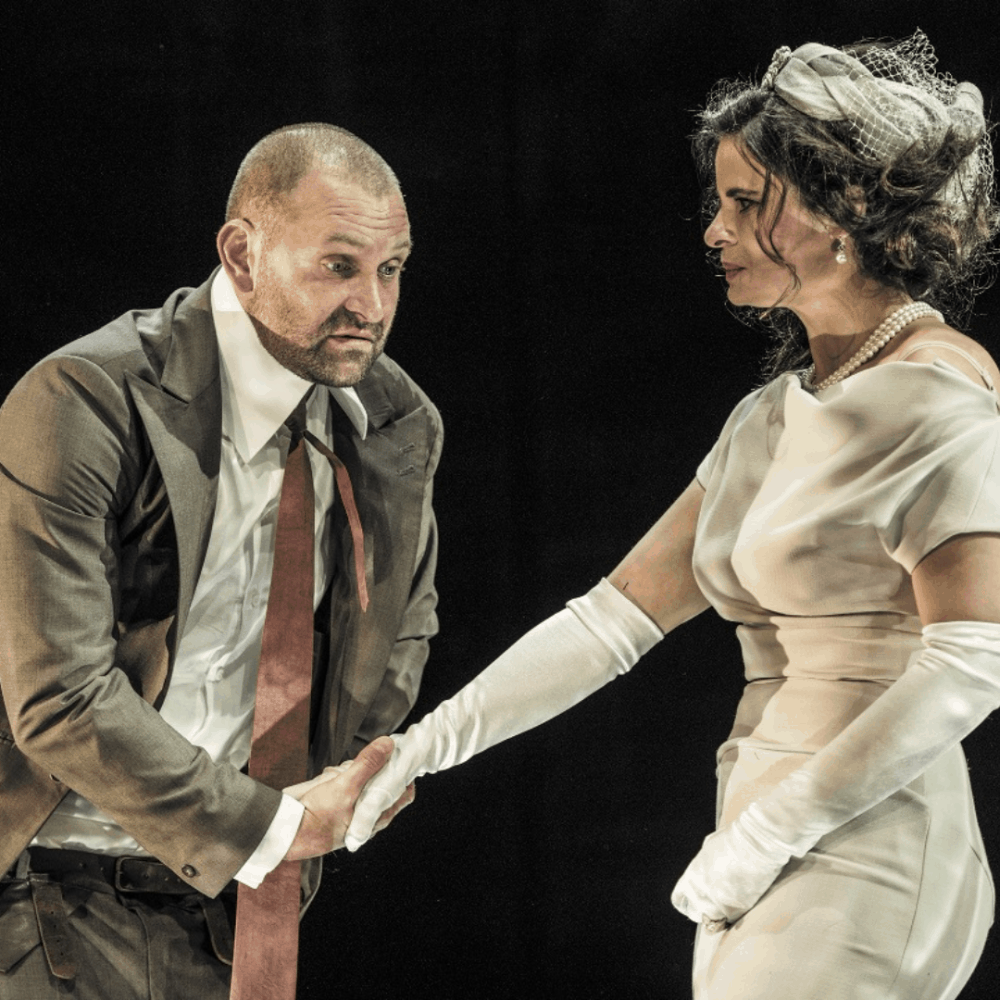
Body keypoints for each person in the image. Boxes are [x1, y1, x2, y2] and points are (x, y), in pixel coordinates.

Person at [343, 32, 1000, 999]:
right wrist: (422, 749)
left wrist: (771, 832)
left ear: (843, 210)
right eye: (718, 203)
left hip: (869, 841)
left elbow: (972, 660)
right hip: (762, 834)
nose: (714, 231)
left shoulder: (936, 394)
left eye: (746, 202)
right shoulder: (770, 417)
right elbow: (610, 621)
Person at [0, 123, 441, 998]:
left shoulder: (396, 421)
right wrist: (271, 824)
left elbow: (397, 637)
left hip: (234, 916)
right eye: (339, 266)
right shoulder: (87, 398)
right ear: (242, 255)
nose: (372, 304)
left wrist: (349, 783)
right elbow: (58, 698)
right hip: (47, 896)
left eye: (391, 268)